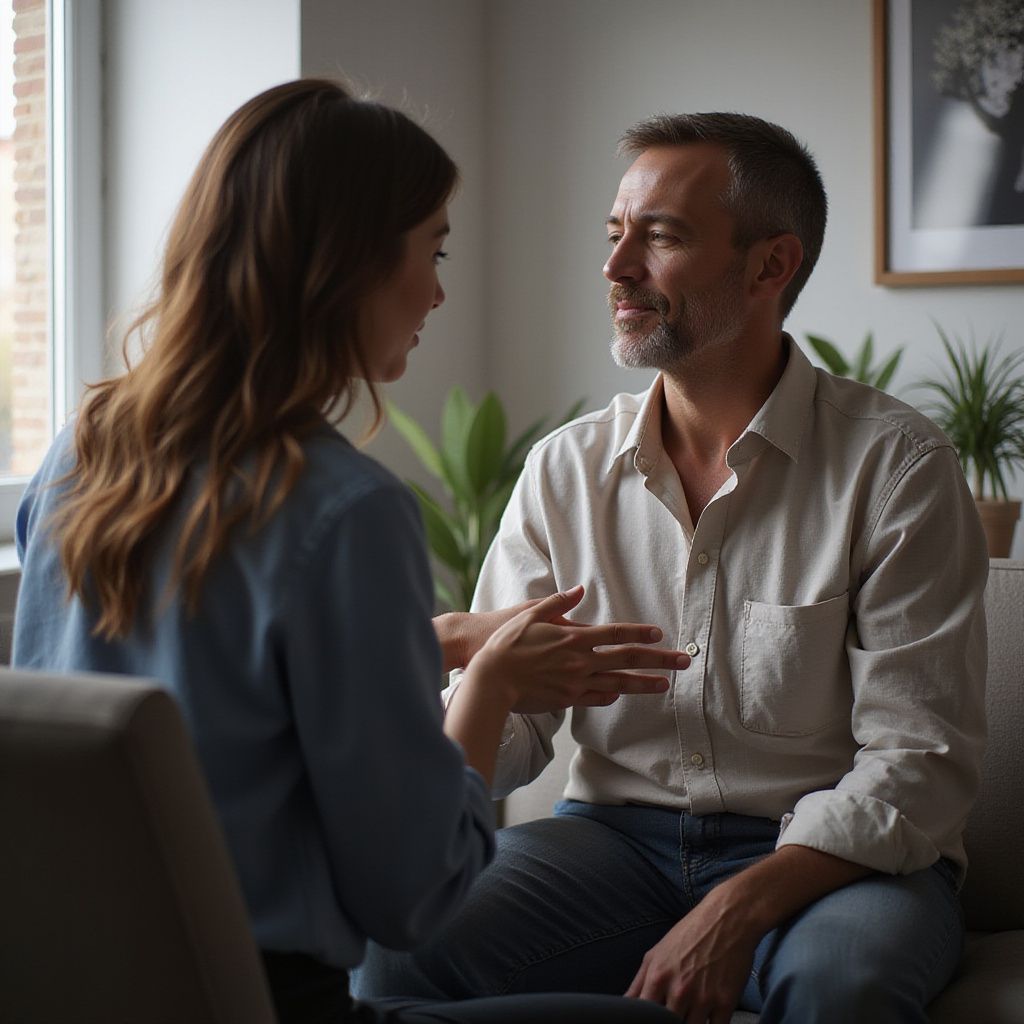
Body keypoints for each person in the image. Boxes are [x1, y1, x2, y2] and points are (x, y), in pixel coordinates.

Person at [11, 79, 692, 1024]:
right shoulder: (345, 509)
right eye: (432, 249)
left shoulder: (80, 452)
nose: (441, 289)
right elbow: (412, 899)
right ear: (344, 265)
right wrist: (490, 686)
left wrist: (440, 640)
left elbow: (209, 674)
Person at [354, 113, 990, 1023]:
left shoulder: (898, 468)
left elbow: (918, 763)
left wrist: (741, 904)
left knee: (843, 986)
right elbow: (515, 737)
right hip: (607, 845)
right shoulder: (565, 469)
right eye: (616, 235)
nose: (616, 270)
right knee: (396, 954)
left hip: (831, 862)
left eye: (660, 237)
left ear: (772, 265)